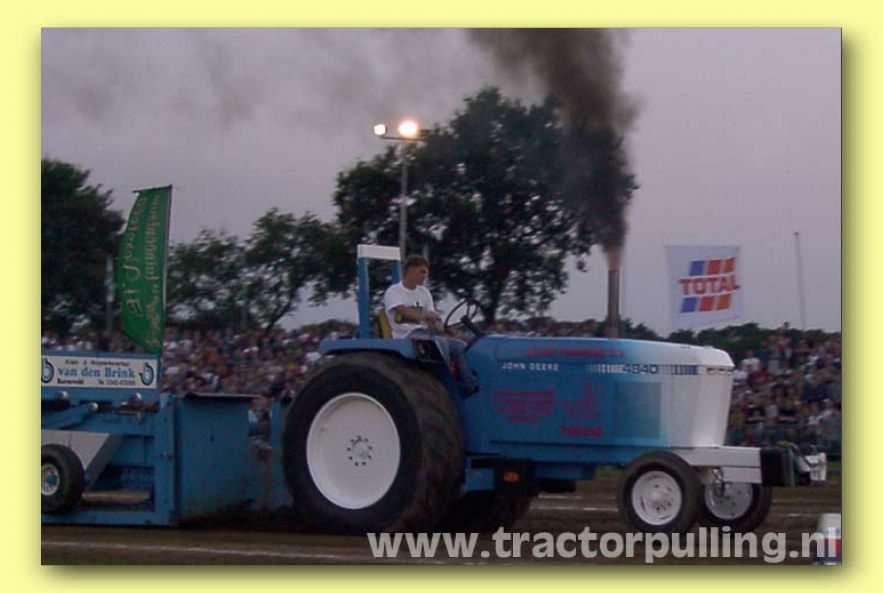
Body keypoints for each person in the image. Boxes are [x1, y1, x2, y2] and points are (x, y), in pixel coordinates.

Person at [383, 254, 479, 393]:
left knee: (459, 345)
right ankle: (444, 384)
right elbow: (402, 310)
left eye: (426, 273)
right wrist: (425, 316)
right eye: (422, 272)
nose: (425, 276)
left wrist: (443, 328)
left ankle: (469, 385)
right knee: (440, 343)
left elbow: (432, 317)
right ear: (410, 270)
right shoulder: (394, 291)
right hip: (405, 336)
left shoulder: (424, 292)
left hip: (425, 334)